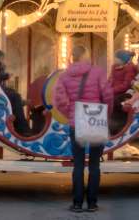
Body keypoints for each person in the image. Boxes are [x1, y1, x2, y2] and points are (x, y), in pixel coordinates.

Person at [53, 45, 112, 213]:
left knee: (78, 164)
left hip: (76, 122)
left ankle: (77, 203)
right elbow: (107, 95)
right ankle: (92, 203)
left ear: (73, 57)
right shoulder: (98, 72)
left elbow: (60, 101)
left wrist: (71, 113)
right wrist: (106, 114)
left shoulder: (64, 76)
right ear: (86, 55)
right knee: (94, 164)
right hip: (96, 120)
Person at [0, 50, 31, 135]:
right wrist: (6, 76)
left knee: (15, 94)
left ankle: (21, 126)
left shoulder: (0, 66)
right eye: (2, 58)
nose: (3, 59)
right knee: (15, 96)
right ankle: (22, 128)